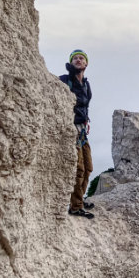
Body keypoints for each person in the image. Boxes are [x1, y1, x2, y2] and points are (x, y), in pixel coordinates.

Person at [59, 49, 94, 219]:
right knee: (78, 169)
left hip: (82, 131)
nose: (78, 60)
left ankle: (79, 197)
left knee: (88, 168)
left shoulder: (86, 86)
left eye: (81, 58)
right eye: (75, 58)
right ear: (71, 63)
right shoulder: (65, 81)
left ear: (86, 64)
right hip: (71, 131)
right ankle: (76, 206)